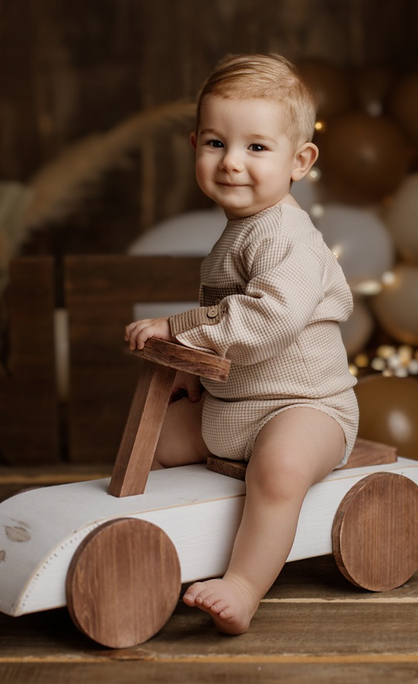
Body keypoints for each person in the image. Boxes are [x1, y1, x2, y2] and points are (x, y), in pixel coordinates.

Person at [124, 53, 359, 635]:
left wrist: (188, 337)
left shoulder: (290, 239)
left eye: (256, 147)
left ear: (300, 160)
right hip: (233, 408)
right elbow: (221, 311)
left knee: (278, 469)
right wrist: (178, 341)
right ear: (194, 146)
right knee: (152, 438)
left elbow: (265, 322)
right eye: (214, 143)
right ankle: (154, 546)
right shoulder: (240, 231)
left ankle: (245, 584)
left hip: (305, 408)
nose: (231, 163)